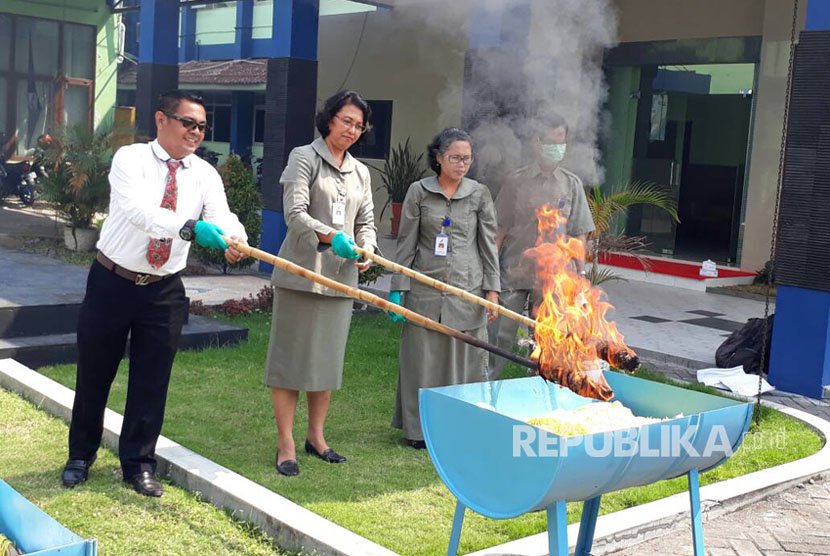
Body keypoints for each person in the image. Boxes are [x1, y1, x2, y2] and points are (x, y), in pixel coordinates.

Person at [61, 90, 248, 497]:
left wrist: (236, 239)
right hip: (113, 281)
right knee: (95, 372)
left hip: (163, 289)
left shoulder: (204, 174)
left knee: (151, 380)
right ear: (162, 119)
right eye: (188, 123)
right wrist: (189, 227)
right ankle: (80, 455)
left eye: (202, 126)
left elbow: (222, 215)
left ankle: (138, 463)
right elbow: (138, 210)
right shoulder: (131, 159)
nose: (196, 132)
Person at [265, 90, 379, 477]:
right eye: (346, 120)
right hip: (301, 274)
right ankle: (286, 443)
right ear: (329, 118)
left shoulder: (361, 172)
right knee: (290, 363)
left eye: (359, 125)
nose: (352, 129)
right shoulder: (304, 157)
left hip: (340, 280)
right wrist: (330, 236)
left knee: (325, 364)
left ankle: (317, 437)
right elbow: (294, 213)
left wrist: (366, 247)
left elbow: (366, 220)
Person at [388, 127, 500, 449]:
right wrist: (399, 287)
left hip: (468, 291)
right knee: (421, 361)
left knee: (465, 362)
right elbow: (406, 243)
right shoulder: (418, 192)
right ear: (438, 158)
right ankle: (418, 430)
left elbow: (488, 245)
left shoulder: (479, 193)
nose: (462, 164)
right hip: (425, 290)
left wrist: (492, 291)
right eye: (455, 157)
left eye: (467, 158)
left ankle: (461, 425)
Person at [487, 113, 595, 380]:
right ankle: (486, 386)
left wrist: (580, 278)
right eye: (552, 141)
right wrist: (490, 276)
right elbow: (498, 230)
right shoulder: (516, 181)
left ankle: (539, 388)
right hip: (514, 271)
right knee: (499, 335)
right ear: (537, 142)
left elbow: (579, 233)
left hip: (554, 278)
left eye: (562, 141)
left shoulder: (571, 184)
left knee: (548, 341)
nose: (558, 147)